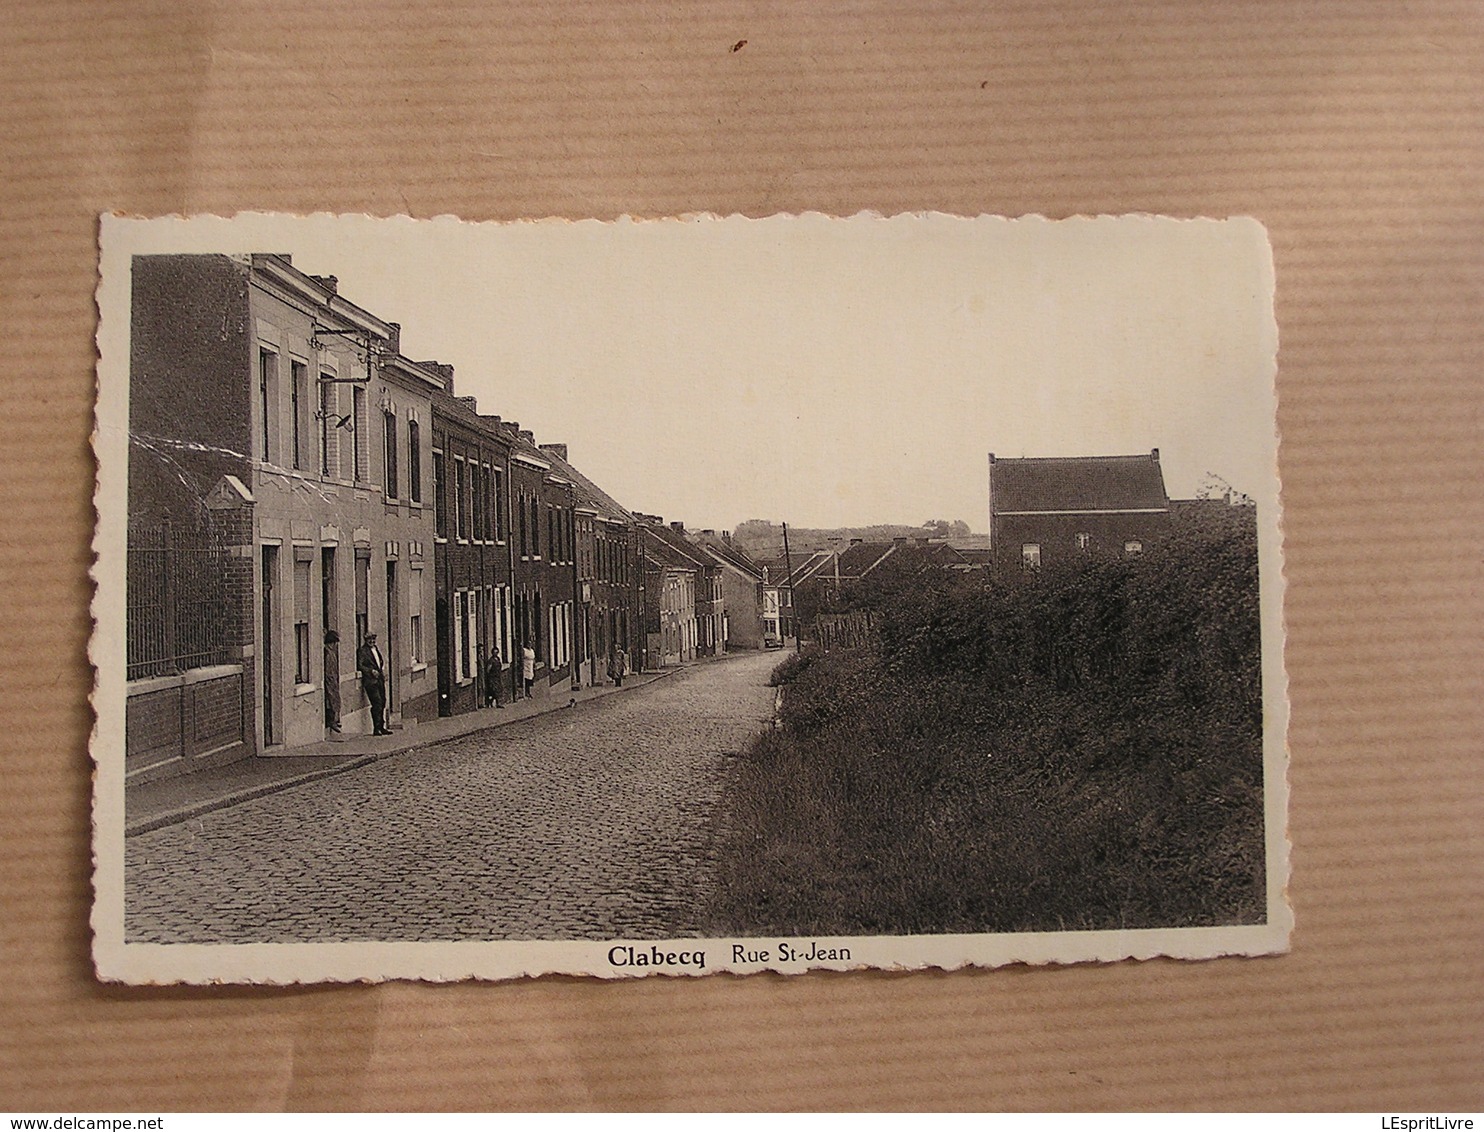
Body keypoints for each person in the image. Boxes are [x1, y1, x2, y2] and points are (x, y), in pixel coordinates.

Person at [357, 631, 391, 735]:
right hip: (370, 681)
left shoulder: (376, 649)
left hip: (379, 679)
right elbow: (360, 665)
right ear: (366, 641)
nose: (372, 642)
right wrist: (371, 671)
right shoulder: (362, 651)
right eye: (370, 640)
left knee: (383, 701)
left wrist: (381, 670)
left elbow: (380, 662)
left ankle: (382, 726)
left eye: (373, 640)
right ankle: (376, 729)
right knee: (377, 703)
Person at [323, 630, 342, 733]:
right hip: (330, 680)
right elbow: (328, 671)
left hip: (333, 679)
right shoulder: (327, 652)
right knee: (331, 700)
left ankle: (334, 720)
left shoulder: (331, 653)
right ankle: (331, 721)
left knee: (334, 700)